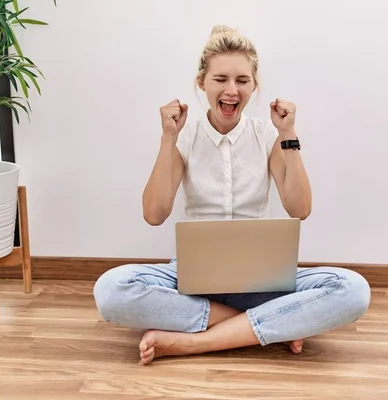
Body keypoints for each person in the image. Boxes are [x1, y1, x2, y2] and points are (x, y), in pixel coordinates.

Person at [93, 25, 371, 365]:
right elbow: (154, 214)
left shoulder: (269, 135)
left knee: (353, 289)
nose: (231, 90)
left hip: (261, 278)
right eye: (220, 79)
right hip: (193, 277)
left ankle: (196, 341)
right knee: (111, 290)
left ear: (254, 85)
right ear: (202, 83)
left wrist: (290, 133)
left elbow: (300, 208)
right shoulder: (185, 136)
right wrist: (167, 138)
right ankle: (273, 322)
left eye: (242, 80)